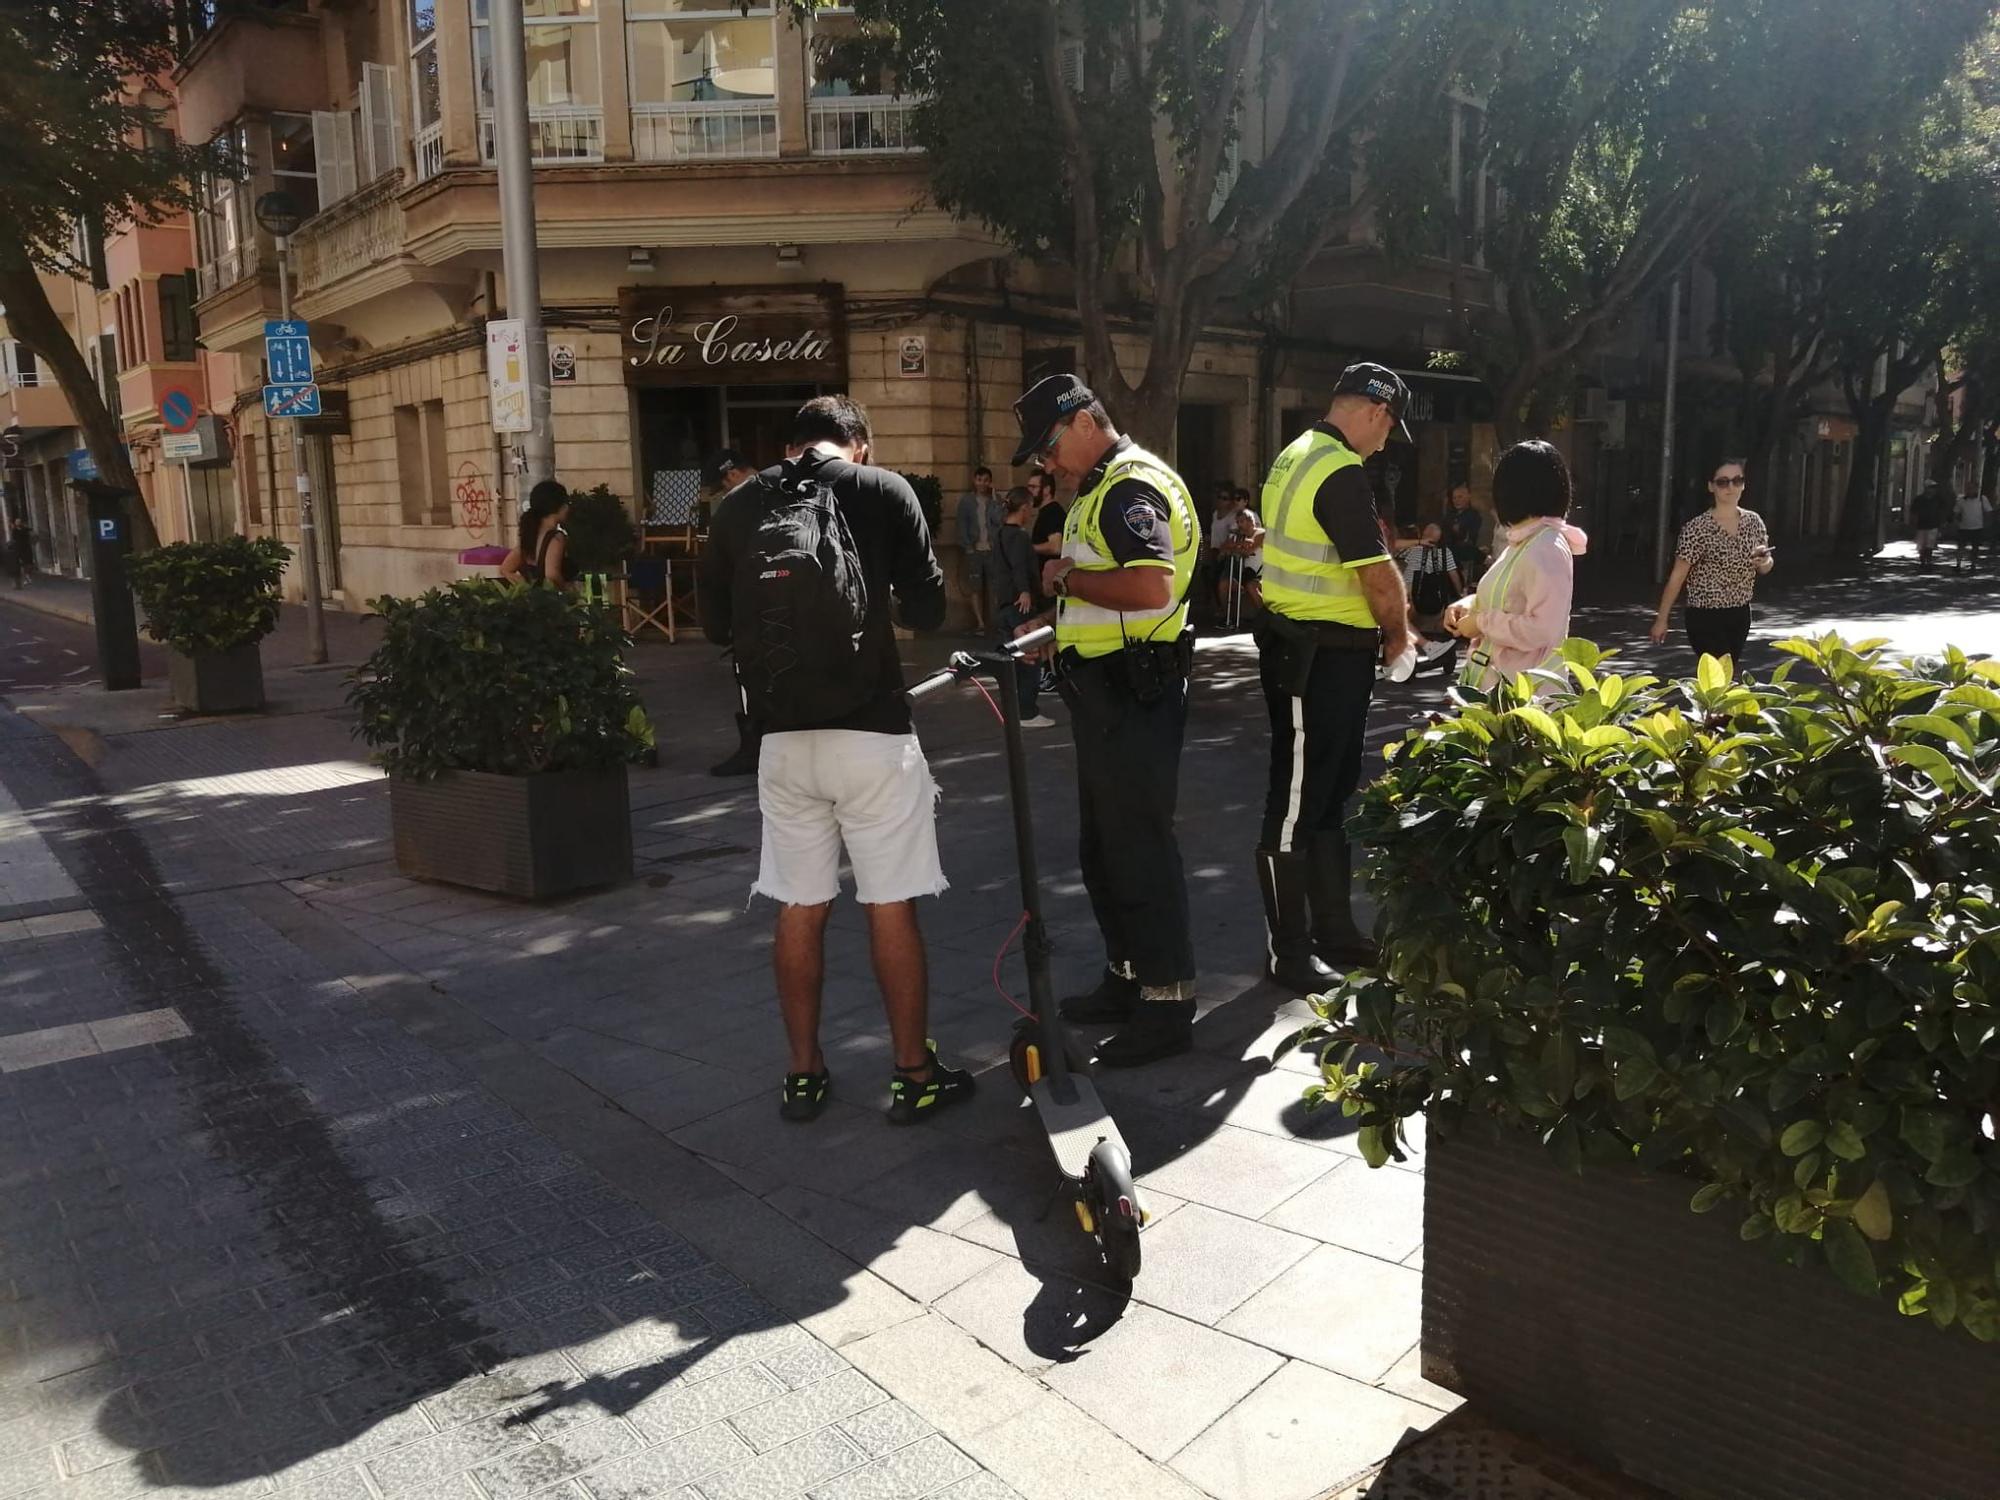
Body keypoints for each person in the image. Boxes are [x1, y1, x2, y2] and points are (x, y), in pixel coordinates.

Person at [697, 395, 972, 1126]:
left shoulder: (735, 507)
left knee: (799, 901)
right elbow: (929, 612)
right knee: (890, 903)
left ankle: (804, 1073)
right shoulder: (882, 489)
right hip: (874, 732)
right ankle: (913, 1075)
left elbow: (715, 626)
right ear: (860, 444)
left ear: (791, 444)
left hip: (782, 741)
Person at [1010, 374, 1201, 1067]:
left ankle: (1166, 1004)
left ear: (1085, 422)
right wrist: (1062, 631)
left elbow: (1149, 587)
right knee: (1105, 848)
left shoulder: (1127, 487)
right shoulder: (1104, 486)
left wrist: (1065, 578)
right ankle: (1127, 978)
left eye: (1051, 446)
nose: (1048, 463)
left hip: (1134, 697)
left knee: (1139, 850)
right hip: (1110, 692)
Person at [1251, 363, 1418, 993]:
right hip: (1314, 660)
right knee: (1296, 806)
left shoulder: (1293, 456)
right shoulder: (1339, 470)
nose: (1384, 444)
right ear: (1377, 413)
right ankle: (1288, 952)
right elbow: (1374, 571)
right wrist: (1400, 632)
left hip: (1324, 654)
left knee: (1325, 798)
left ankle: (1334, 932)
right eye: (1389, 430)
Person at [1444, 441, 1587, 693]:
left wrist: (1481, 623)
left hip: (1526, 702)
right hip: (1500, 694)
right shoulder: (1526, 539)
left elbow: (1541, 629)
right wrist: (1470, 605)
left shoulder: (1546, 547)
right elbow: (1509, 597)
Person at [1649, 458, 1772, 668]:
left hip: (1740, 613)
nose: (1731, 487)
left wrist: (1764, 560)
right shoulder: (1697, 529)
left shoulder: (1754, 522)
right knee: (1719, 674)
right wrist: (1662, 619)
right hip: (1705, 615)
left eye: (1737, 481)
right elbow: (1678, 576)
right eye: (1723, 482)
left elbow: (1765, 565)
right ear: (1711, 486)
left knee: (1726, 676)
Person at [705, 449, 764, 778]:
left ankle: (754, 748)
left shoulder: (737, 505)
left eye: (722, 485)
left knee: (749, 681)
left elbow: (717, 571)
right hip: (795, 606)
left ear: (730, 476)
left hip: (751, 612)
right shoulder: (784, 488)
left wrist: (717, 624)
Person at [992, 487, 1055, 728]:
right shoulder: (1018, 536)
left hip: (1006, 604)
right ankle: (1027, 712)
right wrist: (1025, 591)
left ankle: (1016, 710)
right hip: (1020, 604)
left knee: (1015, 660)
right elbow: (1019, 566)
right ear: (1025, 508)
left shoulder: (999, 534)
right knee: (1030, 659)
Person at [954, 465, 1004, 632]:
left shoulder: (994, 501)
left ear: (990, 482)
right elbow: (961, 524)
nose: (982, 483)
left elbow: (999, 520)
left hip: (992, 550)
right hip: (974, 550)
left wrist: (996, 497)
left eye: (986, 480)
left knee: (995, 587)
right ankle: (980, 622)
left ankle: (996, 622)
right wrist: (967, 546)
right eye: (979, 480)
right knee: (975, 587)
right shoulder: (967, 502)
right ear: (974, 481)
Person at [499, 479, 571, 587]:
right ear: (559, 507)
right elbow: (552, 574)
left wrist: (525, 587)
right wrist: (568, 589)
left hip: (532, 600)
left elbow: (506, 569)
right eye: (566, 503)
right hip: (551, 600)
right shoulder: (556, 537)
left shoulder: (530, 535)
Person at [1400, 521, 1463, 638]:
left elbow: (1453, 574)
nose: (1429, 531)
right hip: (1407, 589)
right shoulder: (1413, 548)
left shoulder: (1444, 552)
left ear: (1441, 534)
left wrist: (1460, 594)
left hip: (1430, 589)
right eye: (1427, 528)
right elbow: (1393, 548)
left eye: (1434, 529)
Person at [1444, 481, 1484, 583]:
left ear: (1468, 497)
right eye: (1454, 498)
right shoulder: (1449, 515)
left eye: (1460, 497)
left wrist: (1457, 531)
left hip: (1463, 552)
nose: (1457, 500)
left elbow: (1470, 539)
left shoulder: (1473, 515)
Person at [1912, 481, 1948, 571]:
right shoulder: (1919, 499)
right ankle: (1922, 562)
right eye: (1930, 487)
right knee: (1921, 546)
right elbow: (1914, 512)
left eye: (1933, 488)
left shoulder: (1938, 499)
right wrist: (1913, 524)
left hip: (1933, 525)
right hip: (1921, 525)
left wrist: (1943, 523)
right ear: (1926, 488)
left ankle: (1928, 562)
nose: (1932, 489)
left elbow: (1942, 511)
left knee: (1930, 545)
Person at [1954, 486, 1991, 570]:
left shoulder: (1982, 499)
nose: (1970, 490)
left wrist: (1987, 524)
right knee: (1961, 547)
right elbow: (1956, 513)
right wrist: (1957, 523)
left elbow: (1988, 511)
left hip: (1977, 528)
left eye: (1972, 488)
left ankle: (1973, 564)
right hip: (1963, 528)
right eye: (1968, 488)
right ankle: (1958, 564)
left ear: (1976, 489)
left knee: (1975, 548)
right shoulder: (1961, 500)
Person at [7, 511, 34, 588]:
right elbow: (14, 538)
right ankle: (25, 577)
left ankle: (27, 575)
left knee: (28, 563)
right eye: (17, 521)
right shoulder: (14, 531)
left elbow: (30, 531)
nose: (18, 523)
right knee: (21, 563)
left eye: (19, 521)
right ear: (15, 523)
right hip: (19, 548)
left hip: (26, 547)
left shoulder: (24, 529)